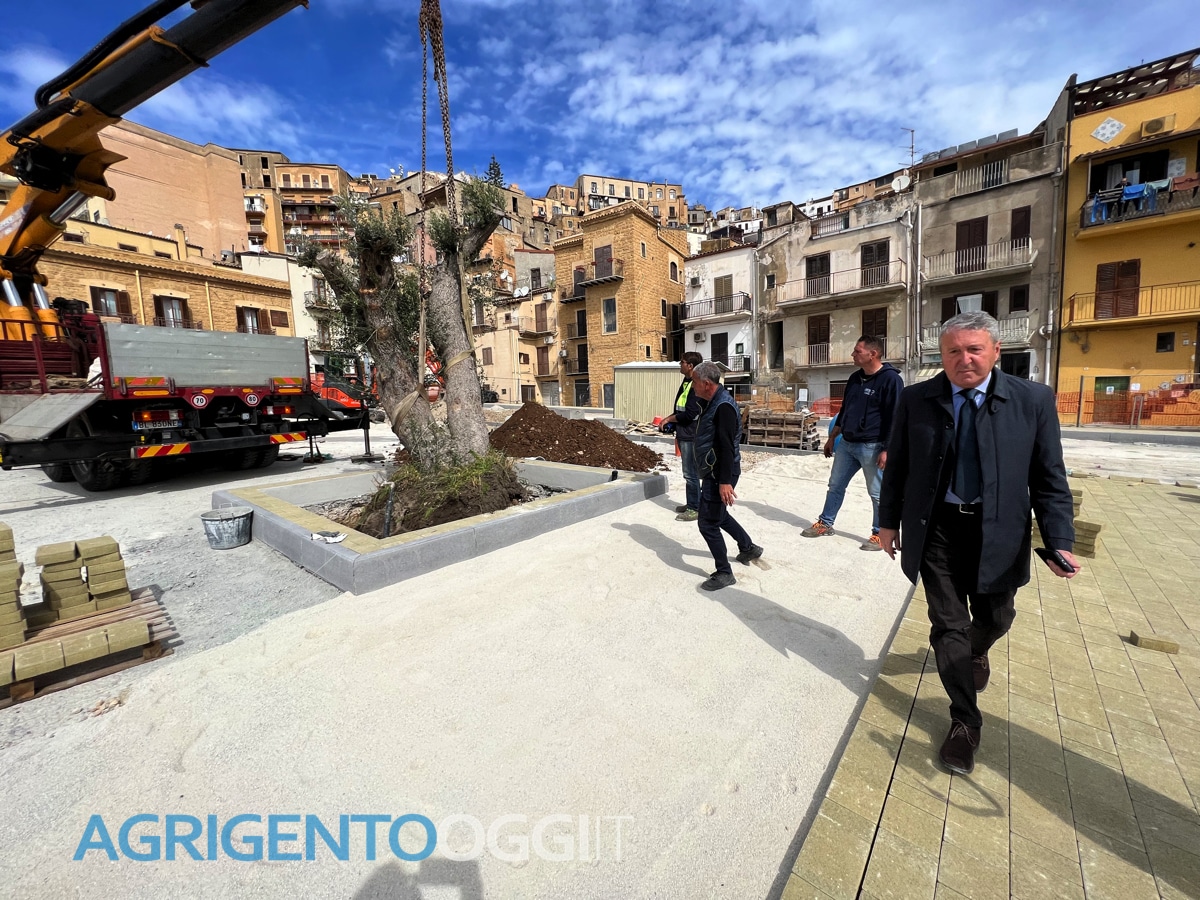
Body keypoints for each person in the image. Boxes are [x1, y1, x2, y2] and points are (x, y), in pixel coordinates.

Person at [878, 311, 1078, 776]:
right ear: (941, 354)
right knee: (947, 626)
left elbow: (1049, 476)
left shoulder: (1033, 400)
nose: (963, 359)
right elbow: (898, 466)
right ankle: (965, 721)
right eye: (953, 351)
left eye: (974, 349)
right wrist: (886, 522)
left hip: (1000, 530)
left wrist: (1060, 539)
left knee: (997, 616)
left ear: (995, 351)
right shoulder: (915, 399)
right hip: (937, 529)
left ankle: (977, 648)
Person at [802, 335, 903, 550]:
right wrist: (832, 438)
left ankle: (878, 533)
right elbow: (845, 410)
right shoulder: (855, 378)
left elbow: (896, 418)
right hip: (847, 444)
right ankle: (825, 523)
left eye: (857, 351)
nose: (853, 355)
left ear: (873, 354)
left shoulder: (891, 380)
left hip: (872, 447)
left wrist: (887, 450)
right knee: (835, 485)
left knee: (877, 493)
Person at [690, 362, 762, 591]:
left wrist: (724, 482)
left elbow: (727, 448)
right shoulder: (711, 402)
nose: (692, 386)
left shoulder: (723, 407)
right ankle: (748, 548)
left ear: (706, 384)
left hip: (719, 473)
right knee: (718, 515)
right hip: (716, 471)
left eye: (694, 382)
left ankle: (724, 572)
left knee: (707, 523)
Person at [660, 351, 704, 522]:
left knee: (690, 473)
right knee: (689, 472)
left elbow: (691, 414)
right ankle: (692, 502)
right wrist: (670, 420)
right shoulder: (687, 382)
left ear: (690, 366)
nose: (680, 364)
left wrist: (669, 419)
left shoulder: (696, 384)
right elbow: (680, 407)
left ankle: (695, 508)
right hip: (684, 431)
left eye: (682, 362)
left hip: (691, 434)